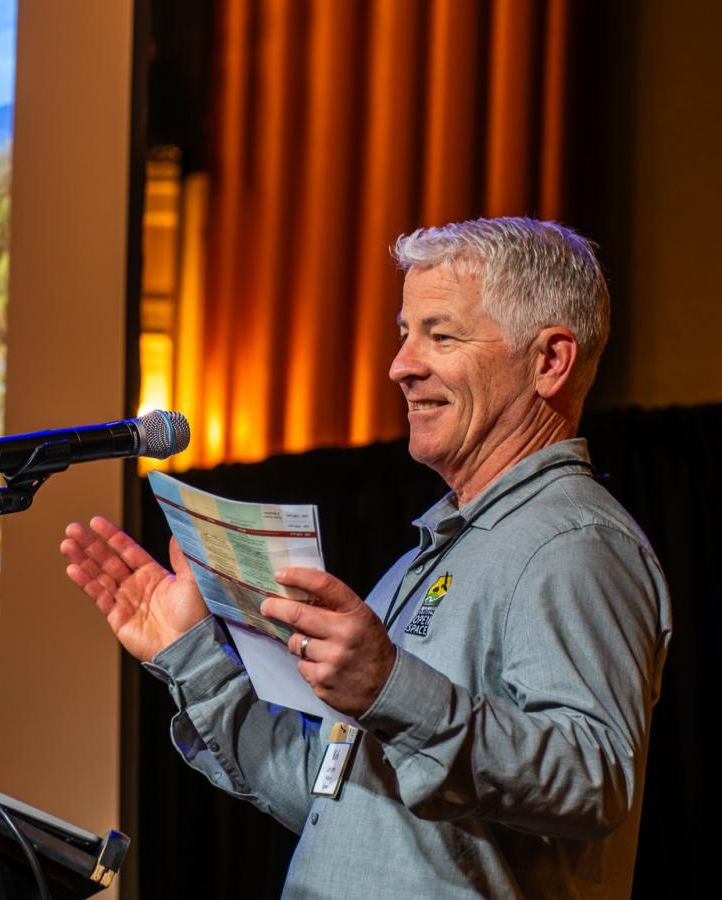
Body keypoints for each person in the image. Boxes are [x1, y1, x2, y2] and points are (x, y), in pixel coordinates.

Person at [62, 218, 672, 898]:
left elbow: (592, 779)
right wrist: (192, 654)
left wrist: (390, 688)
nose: (401, 365)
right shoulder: (433, 553)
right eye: (404, 333)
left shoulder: (573, 544)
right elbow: (330, 802)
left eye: (440, 335)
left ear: (550, 361)